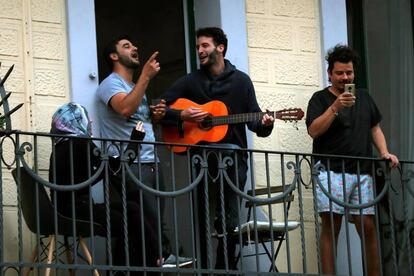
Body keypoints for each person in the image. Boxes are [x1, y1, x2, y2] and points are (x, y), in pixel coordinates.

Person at [158, 27, 275, 270]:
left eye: (205, 46)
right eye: (198, 46)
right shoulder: (191, 81)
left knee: (230, 217)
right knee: (201, 216)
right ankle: (203, 267)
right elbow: (158, 109)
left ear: (220, 47)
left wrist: (265, 123)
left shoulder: (241, 80)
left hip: (233, 160)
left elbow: (254, 120)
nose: (200, 50)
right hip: (201, 160)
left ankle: (225, 268)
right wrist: (182, 114)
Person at [96, 35, 192, 268]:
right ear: (114, 56)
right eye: (126, 46)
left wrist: (156, 117)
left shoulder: (133, 87)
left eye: (133, 45)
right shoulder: (111, 83)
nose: (135, 48)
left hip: (150, 161)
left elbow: (139, 121)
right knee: (147, 221)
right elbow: (125, 108)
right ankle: (162, 257)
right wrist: (146, 77)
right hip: (131, 162)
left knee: (153, 221)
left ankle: (154, 261)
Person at [306, 45, 399, 276]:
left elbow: (375, 127)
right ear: (329, 74)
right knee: (331, 226)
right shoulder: (320, 98)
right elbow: (313, 131)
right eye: (339, 73)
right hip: (330, 170)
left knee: (367, 226)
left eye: (349, 72)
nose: (345, 77)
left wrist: (384, 152)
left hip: (362, 171)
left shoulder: (365, 96)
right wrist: (335, 107)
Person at [48, 102, 159, 273]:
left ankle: (157, 257)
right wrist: (135, 139)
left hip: (64, 211)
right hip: (78, 211)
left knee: (132, 208)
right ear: (76, 120)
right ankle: (153, 260)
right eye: (85, 116)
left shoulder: (60, 147)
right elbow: (115, 167)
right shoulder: (80, 142)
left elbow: (98, 172)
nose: (90, 121)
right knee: (128, 222)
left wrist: (104, 170)